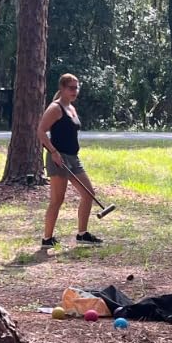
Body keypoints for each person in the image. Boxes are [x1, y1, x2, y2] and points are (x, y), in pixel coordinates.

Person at [38, 73, 103, 248]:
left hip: (73, 158)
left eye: (77, 87)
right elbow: (41, 132)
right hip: (58, 158)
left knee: (88, 194)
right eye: (71, 88)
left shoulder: (71, 108)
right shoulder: (55, 108)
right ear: (62, 89)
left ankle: (82, 234)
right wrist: (53, 152)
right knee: (57, 200)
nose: (75, 91)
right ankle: (47, 239)